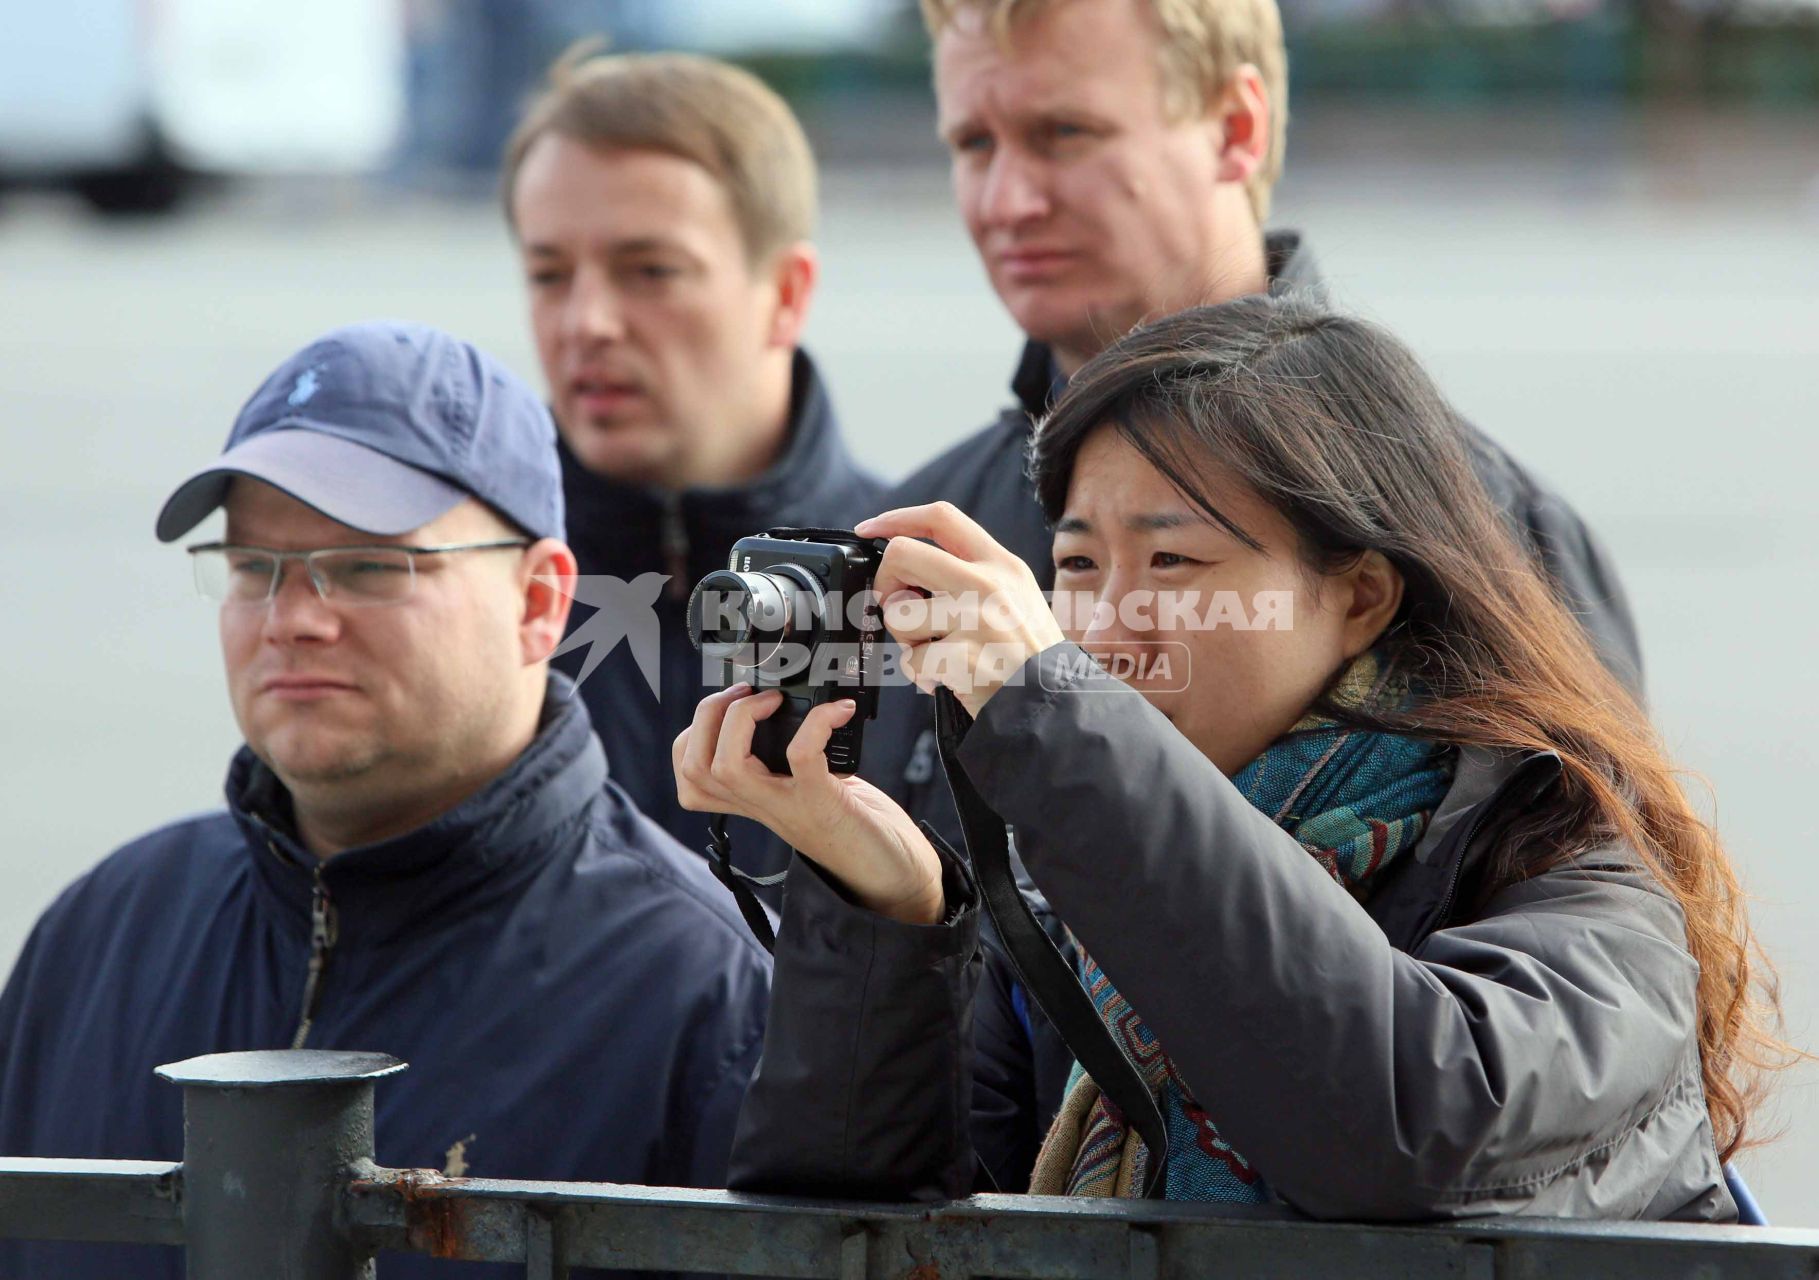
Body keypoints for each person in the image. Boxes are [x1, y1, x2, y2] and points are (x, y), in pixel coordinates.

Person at [679, 296, 1784, 1218]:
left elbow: (1404, 1121)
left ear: (1359, 595)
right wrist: (894, 909)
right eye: (1074, 563)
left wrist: (1052, 714)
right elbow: (866, 1221)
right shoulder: (1068, 888)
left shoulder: (1568, 864)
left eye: (1171, 559)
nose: (1105, 623)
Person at [0, 322, 772, 1279]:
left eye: (366, 566)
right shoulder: (101, 934)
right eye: (252, 567)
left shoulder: (705, 996)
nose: (292, 619)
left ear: (538, 602)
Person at [860, 0, 1644, 866]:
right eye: (973, 144)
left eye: (1065, 133)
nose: (1007, 199)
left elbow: (1584, 950)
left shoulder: (1479, 520)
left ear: (1235, 127)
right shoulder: (925, 520)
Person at [503, 47, 885, 861]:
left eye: (650, 271)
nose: (587, 323)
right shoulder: (471, 601)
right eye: (549, 274)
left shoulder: (923, 596)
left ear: (786, 295)